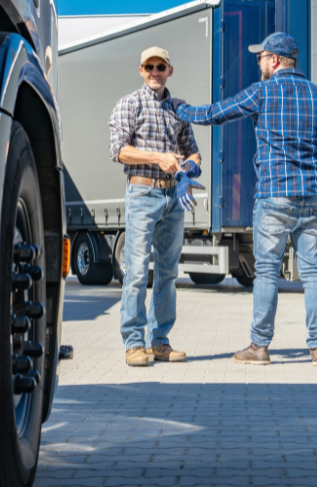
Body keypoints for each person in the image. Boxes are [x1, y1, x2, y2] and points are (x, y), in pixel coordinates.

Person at [167, 33, 317, 366]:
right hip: (311, 198)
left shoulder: (261, 92)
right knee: (314, 272)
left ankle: (259, 347)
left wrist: (181, 109)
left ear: (274, 60)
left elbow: (215, 113)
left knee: (266, 273)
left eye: (260, 56)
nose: (257, 62)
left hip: (274, 197)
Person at [109, 46, 204, 367]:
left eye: (160, 66)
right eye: (148, 66)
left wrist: (187, 171)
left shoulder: (179, 109)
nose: (154, 71)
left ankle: (159, 342)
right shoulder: (129, 104)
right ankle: (133, 343)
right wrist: (158, 157)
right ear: (141, 70)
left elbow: (193, 152)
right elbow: (119, 151)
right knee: (136, 272)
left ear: (169, 70)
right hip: (142, 194)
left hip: (173, 198)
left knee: (168, 273)